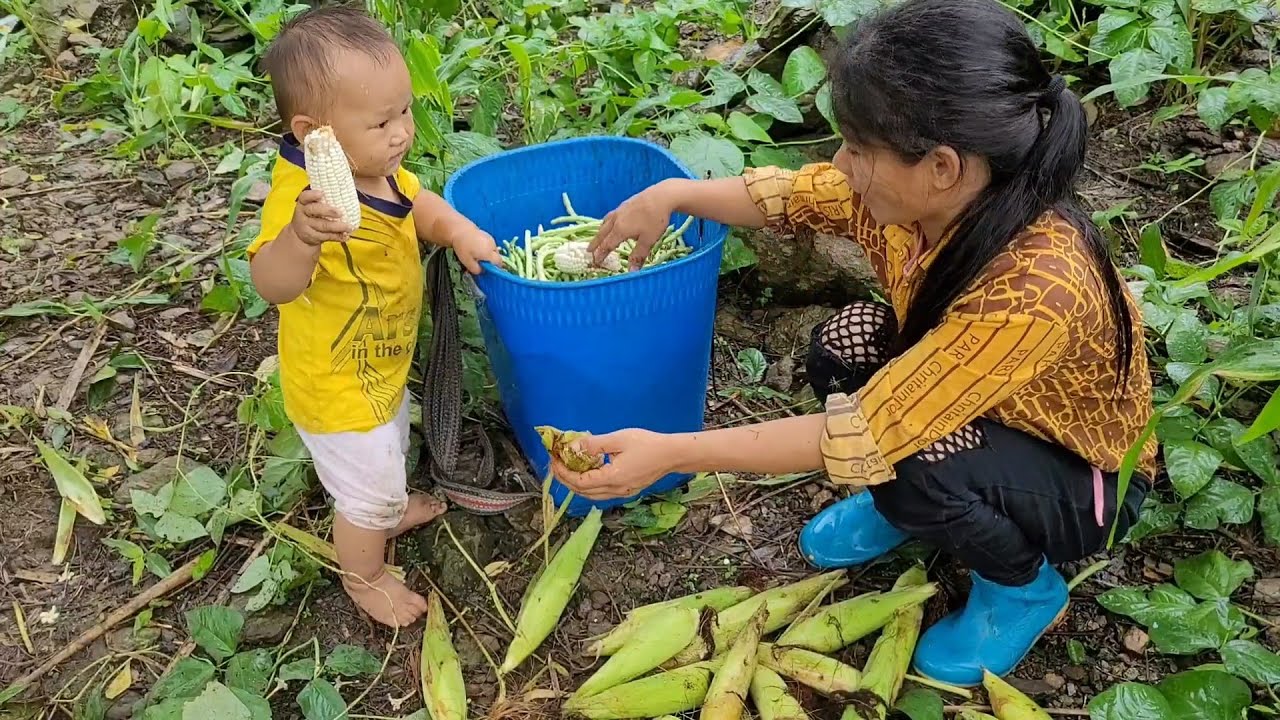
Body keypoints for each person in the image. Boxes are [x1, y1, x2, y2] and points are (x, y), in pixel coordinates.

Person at [551, 0, 1158, 686]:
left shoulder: (1037, 285)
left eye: (859, 148)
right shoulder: (922, 201)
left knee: (915, 454)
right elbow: (791, 196)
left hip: (1083, 479)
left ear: (941, 166)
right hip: (976, 403)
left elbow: (872, 428)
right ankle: (908, 509)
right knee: (844, 346)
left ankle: (1022, 588)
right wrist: (672, 195)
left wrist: (671, 452)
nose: (842, 162)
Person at [247, 6, 503, 628]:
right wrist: (301, 241)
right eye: (382, 121)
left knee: (392, 440)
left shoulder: (375, 169)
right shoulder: (301, 202)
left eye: (405, 112)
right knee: (366, 487)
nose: (401, 133)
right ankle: (364, 573)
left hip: (378, 365)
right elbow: (271, 283)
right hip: (334, 385)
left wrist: (458, 229)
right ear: (315, 132)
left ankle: (385, 509)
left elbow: (419, 203)